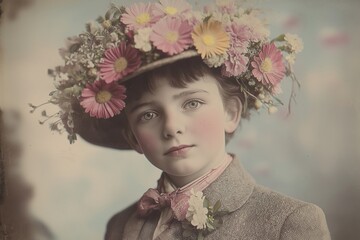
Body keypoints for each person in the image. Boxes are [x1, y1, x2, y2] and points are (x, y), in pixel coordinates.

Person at [33, 0, 331, 239]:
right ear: (133, 138)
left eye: (192, 102)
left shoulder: (287, 221)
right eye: (148, 114)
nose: (172, 127)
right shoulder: (121, 226)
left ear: (231, 113)